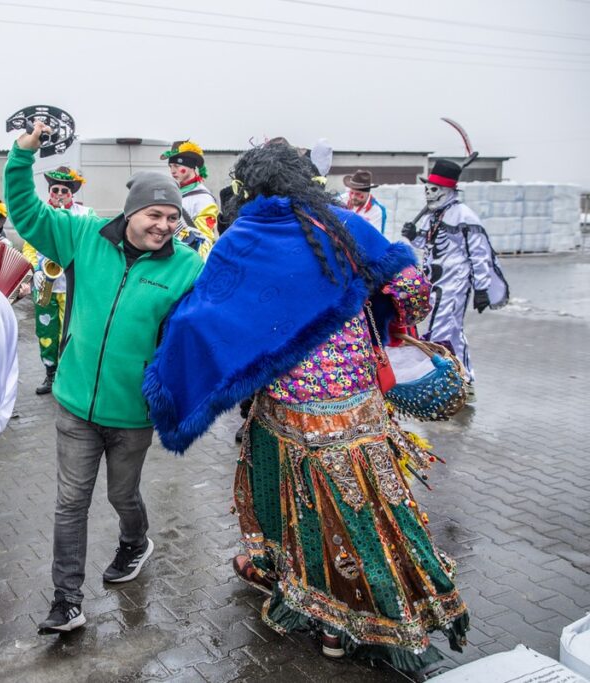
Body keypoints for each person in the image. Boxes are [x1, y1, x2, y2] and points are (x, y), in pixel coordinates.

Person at [144, 140, 468, 670]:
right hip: (360, 405)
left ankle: (321, 613)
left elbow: (205, 316)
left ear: (250, 188)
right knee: (372, 511)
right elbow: (412, 288)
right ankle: (383, 615)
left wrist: (174, 376)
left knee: (303, 518)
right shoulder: (341, 223)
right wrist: (380, 313)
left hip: (289, 410)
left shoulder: (243, 237)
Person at [5, 121, 204, 635]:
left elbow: (199, 338)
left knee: (122, 497)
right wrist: (22, 155)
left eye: (171, 217)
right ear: (130, 211)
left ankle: (135, 541)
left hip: (133, 412)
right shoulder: (83, 234)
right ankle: (66, 600)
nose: (164, 225)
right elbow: (25, 213)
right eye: (155, 214)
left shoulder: (186, 268)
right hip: (73, 403)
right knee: (70, 503)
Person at [402, 159, 509, 397]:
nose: (429, 194)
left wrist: (481, 288)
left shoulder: (464, 216)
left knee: (442, 332)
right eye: (427, 189)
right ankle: (464, 377)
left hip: (454, 284)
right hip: (434, 283)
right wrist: (414, 236)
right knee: (450, 333)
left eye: (434, 189)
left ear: (449, 191)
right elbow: (431, 246)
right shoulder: (435, 216)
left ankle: (448, 381)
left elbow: (479, 255)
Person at [22, 166, 95, 395]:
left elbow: (92, 243)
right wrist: (36, 269)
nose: (60, 194)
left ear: (72, 193)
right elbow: (28, 246)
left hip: (73, 285)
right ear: (50, 192)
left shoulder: (85, 214)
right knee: (46, 331)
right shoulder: (41, 213)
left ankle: (69, 374)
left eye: (65, 190)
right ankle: (50, 373)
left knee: (72, 330)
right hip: (46, 284)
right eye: (55, 190)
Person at [162, 140, 219, 258]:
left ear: (190, 166)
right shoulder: (173, 192)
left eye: (177, 166)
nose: (172, 171)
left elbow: (205, 243)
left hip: (189, 262)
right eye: (171, 166)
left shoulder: (203, 199)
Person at [340, 169, 387, 234]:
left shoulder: (376, 210)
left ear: (367, 193)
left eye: (358, 194)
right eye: (351, 193)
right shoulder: (342, 199)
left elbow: (373, 237)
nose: (353, 197)